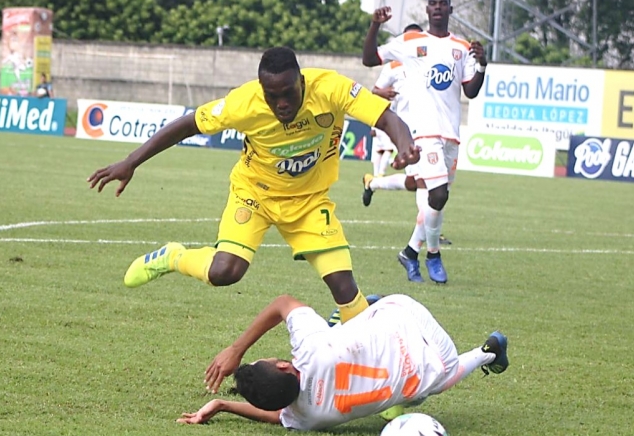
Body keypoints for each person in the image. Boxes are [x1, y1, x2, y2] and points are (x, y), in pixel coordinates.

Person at [88, 47, 419, 324]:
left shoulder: (331, 88)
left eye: (288, 93)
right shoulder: (243, 103)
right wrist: (131, 161)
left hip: (308, 201)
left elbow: (386, 118)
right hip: (254, 195)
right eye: (272, 96)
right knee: (225, 272)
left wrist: (404, 145)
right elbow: (188, 124)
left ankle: (375, 384)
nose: (281, 104)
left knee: (345, 290)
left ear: (301, 82)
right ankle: (174, 257)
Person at [177, 293, 508, 431]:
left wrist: (222, 405)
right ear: (282, 366)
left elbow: (276, 415)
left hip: (437, 358)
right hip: (404, 310)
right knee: (338, 338)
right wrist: (237, 349)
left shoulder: (307, 418)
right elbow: (282, 303)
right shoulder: (308, 349)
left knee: (428, 387)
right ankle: (359, 310)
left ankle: (486, 353)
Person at [363, 0, 487, 284]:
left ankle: (410, 251)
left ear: (450, 10)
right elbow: (369, 59)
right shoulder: (411, 42)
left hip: (450, 135)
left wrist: (483, 65)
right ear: (428, 10)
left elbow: (470, 91)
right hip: (423, 133)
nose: (438, 8)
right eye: (433, 4)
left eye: (443, 4)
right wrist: (374, 26)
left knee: (437, 198)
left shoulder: (462, 47)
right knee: (437, 193)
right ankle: (432, 255)